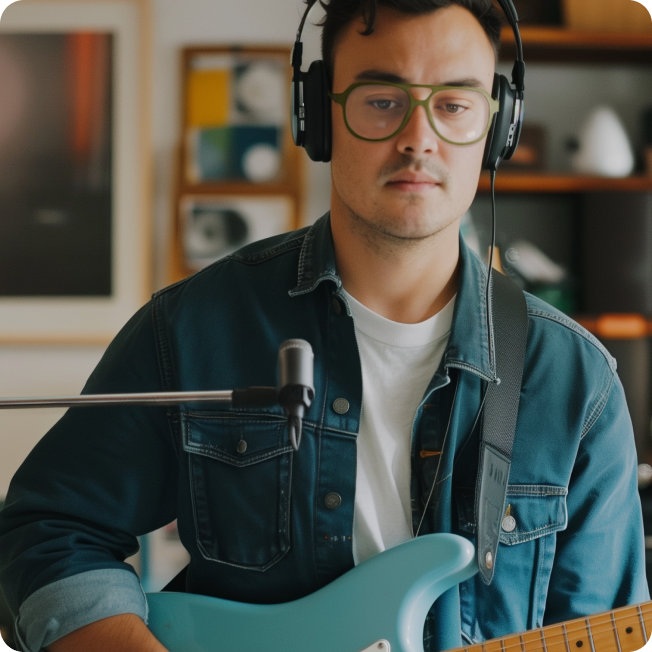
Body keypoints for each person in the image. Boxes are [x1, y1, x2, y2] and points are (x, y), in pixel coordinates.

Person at [0, 0, 648, 651]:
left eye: (454, 104)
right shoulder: (192, 326)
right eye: (381, 99)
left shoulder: (577, 384)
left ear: (498, 124)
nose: (418, 137)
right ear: (317, 114)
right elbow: (48, 527)